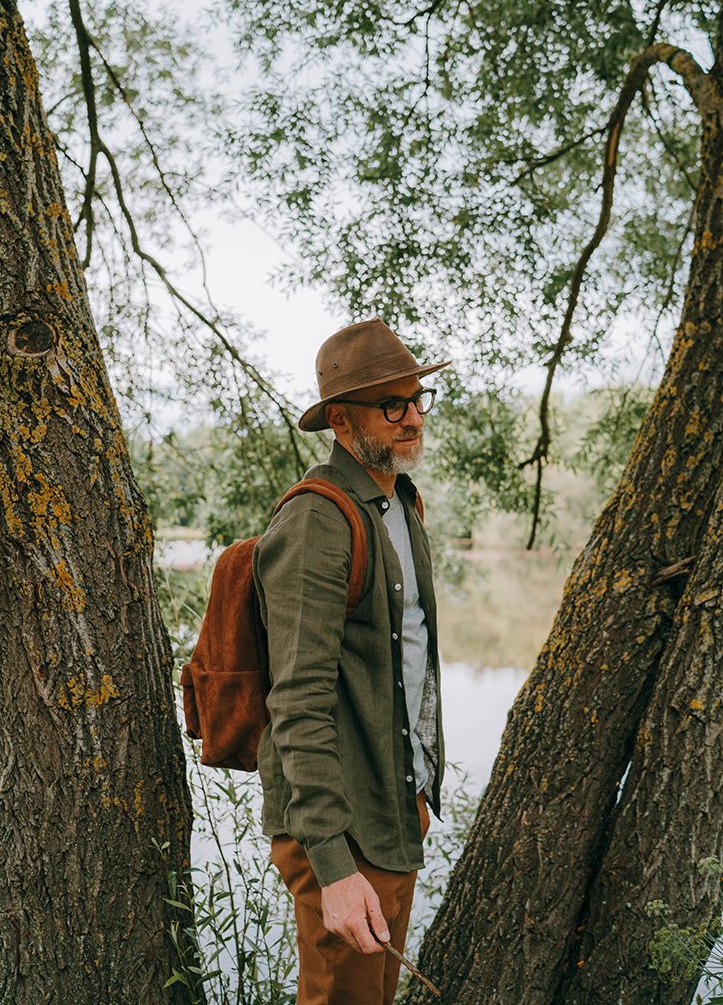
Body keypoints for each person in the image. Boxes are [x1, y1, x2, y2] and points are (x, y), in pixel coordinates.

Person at [253, 317, 449, 1004]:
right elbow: (296, 701)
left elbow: (406, 663)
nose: (412, 418)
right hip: (340, 828)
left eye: (418, 399)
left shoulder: (398, 501)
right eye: (391, 405)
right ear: (341, 420)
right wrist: (332, 868)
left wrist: (419, 791)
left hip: (394, 809)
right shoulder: (317, 520)